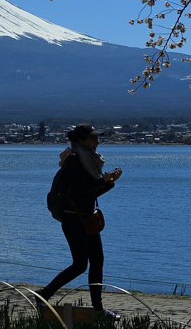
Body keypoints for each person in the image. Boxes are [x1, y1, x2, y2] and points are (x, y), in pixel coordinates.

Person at [37, 123, 123, 318]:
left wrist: (109, 183)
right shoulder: (74, 159)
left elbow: (89, 193)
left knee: (97, 261)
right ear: (81, 140)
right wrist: (103, 180)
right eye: (94, 139)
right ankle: (43, 294)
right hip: (73, 218)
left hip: (86, 218)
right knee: (80, 264)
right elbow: (78, 191)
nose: (97, 142)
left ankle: (98, 309)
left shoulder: (88, 160)